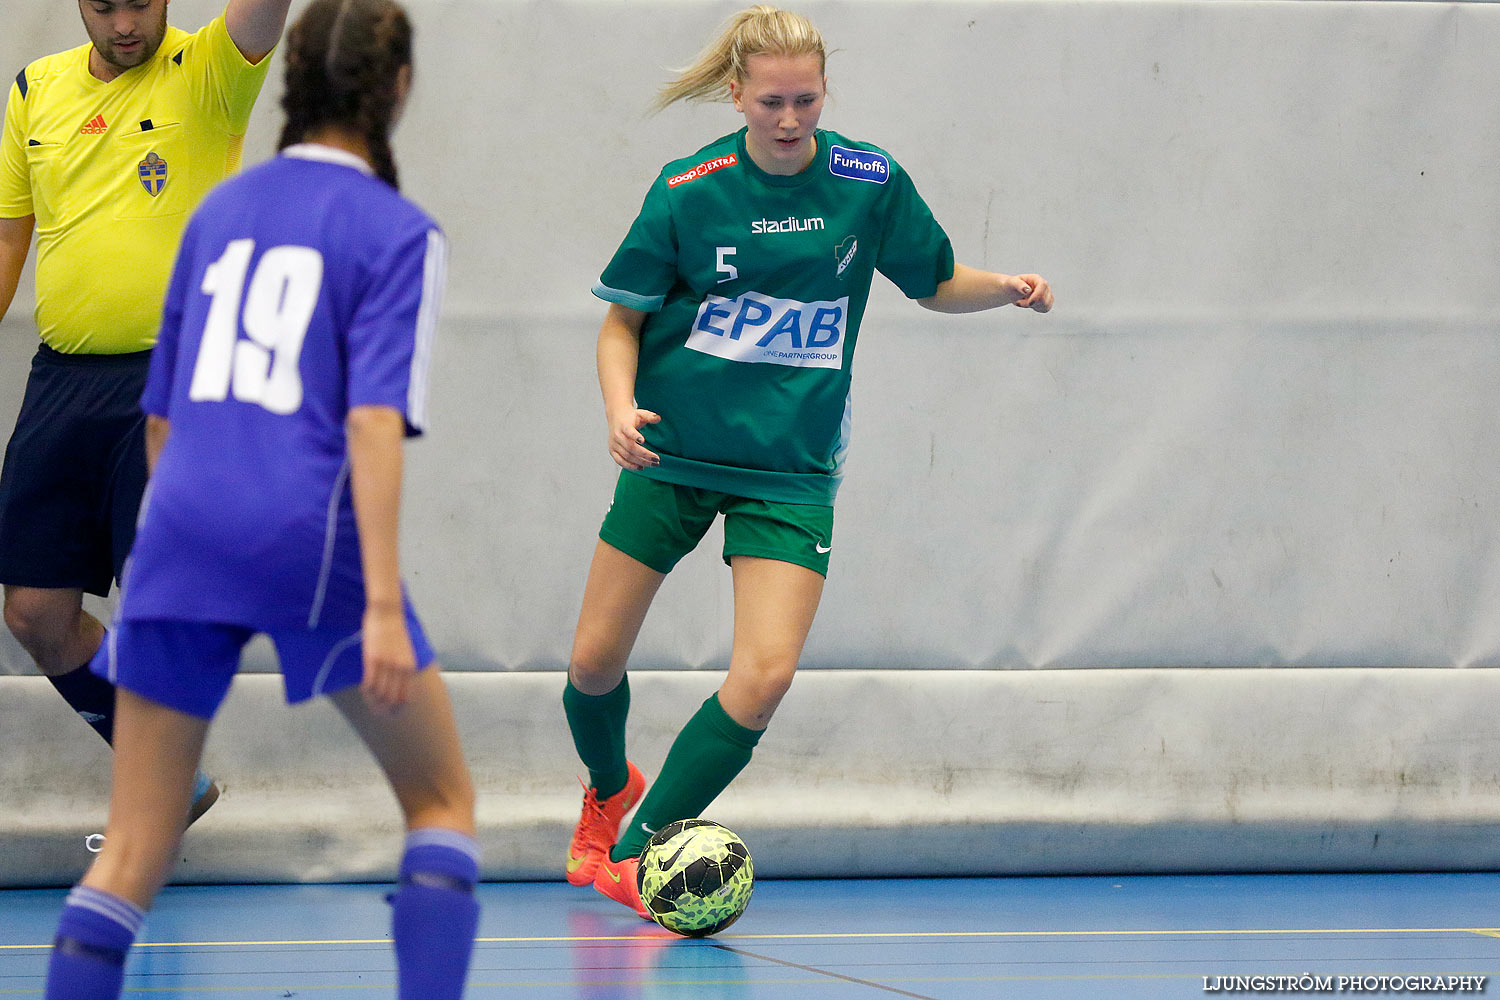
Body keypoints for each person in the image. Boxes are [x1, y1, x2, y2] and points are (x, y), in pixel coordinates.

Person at [563, 4, 1054, 918]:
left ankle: (638, 852)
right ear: (738, 95)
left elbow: (934, 280)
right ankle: (607, 791)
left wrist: (1005, 289)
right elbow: (622, 318)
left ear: (824, 95)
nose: (790, 121)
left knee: (765, 676)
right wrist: (619, 406)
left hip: (789, 473)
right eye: (772, 103)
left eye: (807, 101)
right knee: (592, 665)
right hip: (671, 455)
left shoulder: (869, 182)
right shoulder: (687, 189)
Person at [41, 1, 480, 997]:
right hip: (308, 534)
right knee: (441, 800)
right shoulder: (399, 231)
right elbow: (371, 424)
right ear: (397, 89)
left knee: (130, 853)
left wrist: (172, 552)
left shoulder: (218, 211)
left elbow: (162, 423)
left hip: (180, 531)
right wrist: (375, 601)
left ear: (292, 88)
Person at [0, 0, 297, 828]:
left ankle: (150, 802)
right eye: (106, 5)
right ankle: (173, 774)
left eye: (141, 2)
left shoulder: (206, 72)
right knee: (35, 612)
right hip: (62, 382)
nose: (126, 22)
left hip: (176, 381)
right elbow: (7, 240)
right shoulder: (35, 89)